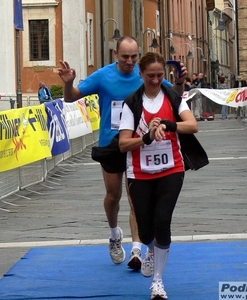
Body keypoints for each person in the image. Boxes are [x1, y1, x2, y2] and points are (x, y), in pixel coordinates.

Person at [58, 36, 187, 271]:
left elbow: (174, 95)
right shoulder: (103, 76)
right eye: (125, 56)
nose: (129, 61)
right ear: (116, 54)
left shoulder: (145, 75)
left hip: (139, 143)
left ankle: (136, 249)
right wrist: (68, 82)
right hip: (111, 143)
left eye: (133, 57)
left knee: (136, 199)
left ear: (138, 57)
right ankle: (114, 233)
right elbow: (71, 97)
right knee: (113, 196)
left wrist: (179, 82)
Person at [118, 52, 200, 299]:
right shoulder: (132, 103)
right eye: (151, 76)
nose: (155, 80)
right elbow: (123, 144)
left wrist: (168, 124)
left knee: (162, 220)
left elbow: (193, 125)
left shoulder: (173, 98)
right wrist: (147, 137)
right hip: (140, 172)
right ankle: (151, 249)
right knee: (145, 231)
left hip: (171, 169)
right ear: (141, 74)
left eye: (160, 75)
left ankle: (158, 283)